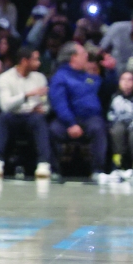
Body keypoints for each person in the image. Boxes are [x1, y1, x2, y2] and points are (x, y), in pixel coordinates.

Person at [49, 42, 109, 182]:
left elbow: (106, 86)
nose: (86, 55)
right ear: (73, 57)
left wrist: (110, 71)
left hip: (89, 118)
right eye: (83, 53)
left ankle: (98, 170)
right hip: (68, 119)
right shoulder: (60, 77)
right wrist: (71, 123)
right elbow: (60, 103)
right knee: (53, 130)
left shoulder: (87, 76)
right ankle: (54, 170)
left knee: (98, 127)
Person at [0, 47, 53, 179]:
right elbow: (5, 106)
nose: (39, 63)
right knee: (3, 118)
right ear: (24, 61)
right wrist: (27, 95)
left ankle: (43, 163)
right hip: (13, 117)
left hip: (31, 117)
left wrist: (43, 109)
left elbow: (44, 104)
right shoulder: (4, 78)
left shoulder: (40, 78)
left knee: (39, 119)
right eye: (35, 59)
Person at [108, 70, 133, 169]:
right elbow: (111, 114)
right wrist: (111, 124)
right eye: (123, 79)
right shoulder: (115, 98)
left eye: (130, 80)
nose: (126, 82)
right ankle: (118, 163)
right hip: (120, 123)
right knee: (117, 131)